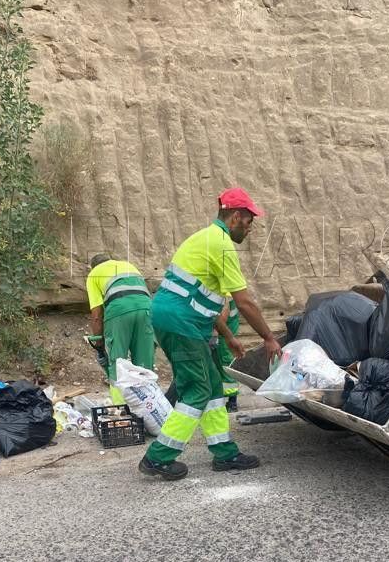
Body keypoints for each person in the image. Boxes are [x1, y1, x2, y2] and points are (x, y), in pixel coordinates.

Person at [139, 187, 282, 481]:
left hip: (179, 319)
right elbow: (244, 302)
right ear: (235, 217)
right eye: (248, 220)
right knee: (197, 389)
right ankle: (158, 458)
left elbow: (202, 298)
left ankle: (224, 452)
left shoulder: (204, 238)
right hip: (182, 323)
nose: (250, 227)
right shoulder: (222, 245)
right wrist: (269, 338)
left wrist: (228, 336)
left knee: (213, 385)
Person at [86, 254, 154, 404]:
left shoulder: (94, 274)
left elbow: (97, 315)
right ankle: (149, 408)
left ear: (93, 266)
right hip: (146, 309)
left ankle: (120, 410)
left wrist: (99, 344)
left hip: (119, 310)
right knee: (144, 364)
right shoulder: (129, 266)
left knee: (117, 363)